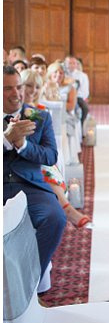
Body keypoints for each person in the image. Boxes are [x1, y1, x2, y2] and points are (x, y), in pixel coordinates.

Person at [3, 65, 66, 277]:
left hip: (29, 186)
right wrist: (6, 139)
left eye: (19, 86)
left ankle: (26, 282)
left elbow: (50, 156)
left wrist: (23, 146)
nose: (17, 93)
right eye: (8, 88)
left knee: (55, 218)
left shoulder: (39, 117)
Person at [21, 69, 91, 229]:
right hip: (23, 157)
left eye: (37, 87)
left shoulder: (41, 110)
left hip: (38, 156)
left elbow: (48, 145)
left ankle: (63, 212)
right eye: (28, 86)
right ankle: (69, 211)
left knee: (50, 171)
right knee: (45, 173)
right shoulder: (14, 111)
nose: (33, 91)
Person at [64, 55, 90, 126]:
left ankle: (81, 126)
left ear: (76, 64)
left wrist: (74, 96)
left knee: (85, 108)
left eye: (74, 63)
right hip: (64, 96)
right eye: (69, 63)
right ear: (65, 64)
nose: (72, 65)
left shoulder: (82, 75)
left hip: (78, 97)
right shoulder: (62, 74)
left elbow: (85, 91)